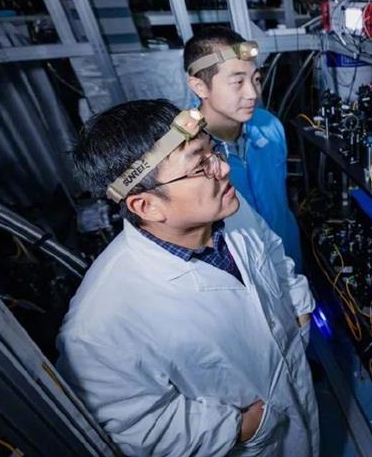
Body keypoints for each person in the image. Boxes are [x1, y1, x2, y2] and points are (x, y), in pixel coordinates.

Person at [56, 99, 318, 457]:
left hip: (299, 394)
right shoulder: (98, 326)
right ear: (147, 205)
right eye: (200, 166)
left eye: (213, 151)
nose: (223, 168)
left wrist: (299, 310)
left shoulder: (226, 206)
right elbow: (137, 427)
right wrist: (241, 428)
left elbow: (270, 249)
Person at [183, 26, 304, 272]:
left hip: (289, 253)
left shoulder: (269, 126)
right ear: (200, 86)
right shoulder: (185, 153)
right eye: (238, 82)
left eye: (256, 79)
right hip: (245, 271)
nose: (253, 94)